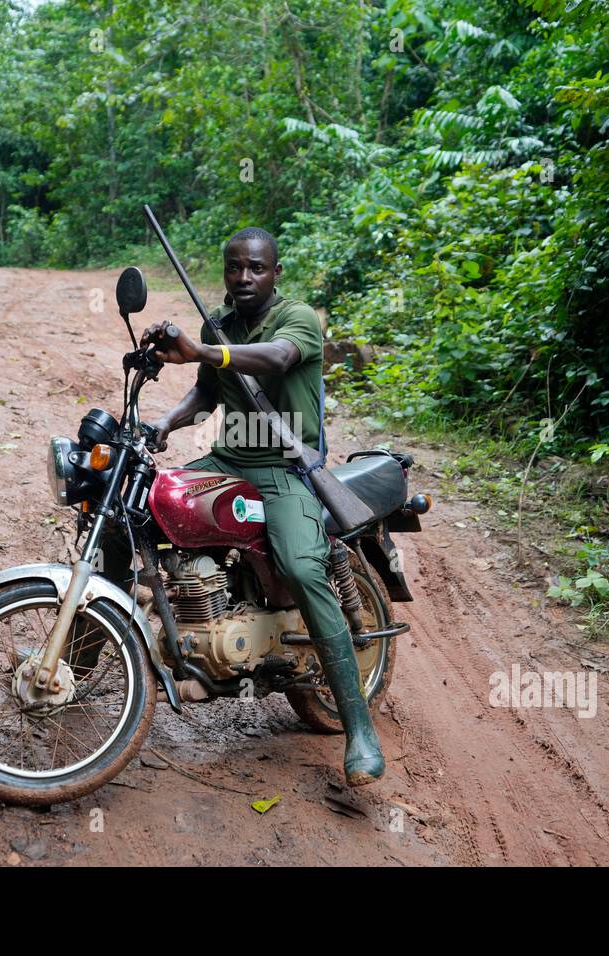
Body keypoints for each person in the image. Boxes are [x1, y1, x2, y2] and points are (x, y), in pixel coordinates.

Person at [138, 226, 384, 787]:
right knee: (144, 508)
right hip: (228, 459)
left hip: (287, 467)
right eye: (234, 268)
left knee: (302, 566)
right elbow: (208, 390)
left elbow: (274, 358)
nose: (243, 278)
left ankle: (359, 728)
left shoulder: (298, 319)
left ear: (276, 273)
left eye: (256, 268)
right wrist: (165, 424)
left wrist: (206, 348)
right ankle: (78, 663)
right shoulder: (218, 322)